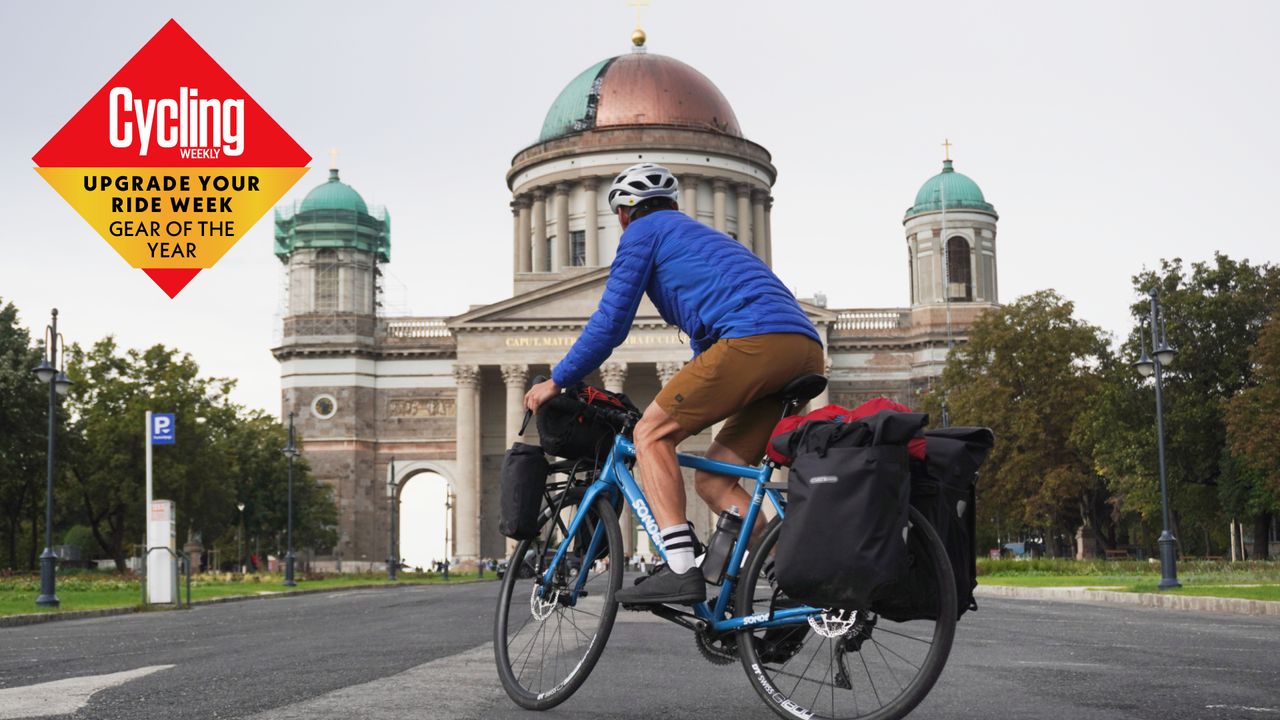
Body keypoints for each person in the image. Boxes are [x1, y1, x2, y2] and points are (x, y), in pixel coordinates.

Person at [524, 163, 822, 606]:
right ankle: (795, 586)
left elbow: (610, 324)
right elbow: (705, 348)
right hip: (802, 347)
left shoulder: (643, 233)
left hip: (753, 341)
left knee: (651, 433)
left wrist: (558, 380)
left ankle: (679, 566)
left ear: (624, 214)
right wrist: (687, 398)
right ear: (674, 204)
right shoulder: (705, 240)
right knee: (715, 481)